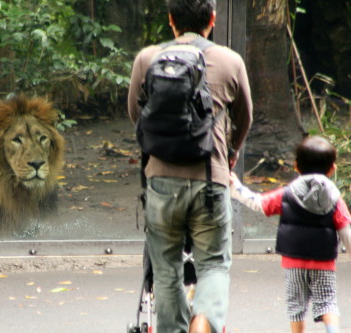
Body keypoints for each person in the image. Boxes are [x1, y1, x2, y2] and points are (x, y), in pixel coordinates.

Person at [127, 0, 253, 332]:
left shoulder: (147, 58)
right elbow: (245, 117)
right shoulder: (230, 61)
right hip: (211, 178)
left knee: (166, 269)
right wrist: (231, 152)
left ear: (171, 20)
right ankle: (202, 321)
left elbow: (136, 115)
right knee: (212, 264)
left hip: (160, 180)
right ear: (213, 18)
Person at [230, 136, 351, 333]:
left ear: (296, 166)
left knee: (296, 307)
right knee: (327, 302)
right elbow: (346, 229)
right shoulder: (335, 198)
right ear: (332, 169)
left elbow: (259, 203)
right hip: (324, 262)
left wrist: (236, 188)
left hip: (293, 262)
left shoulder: (287, 194)